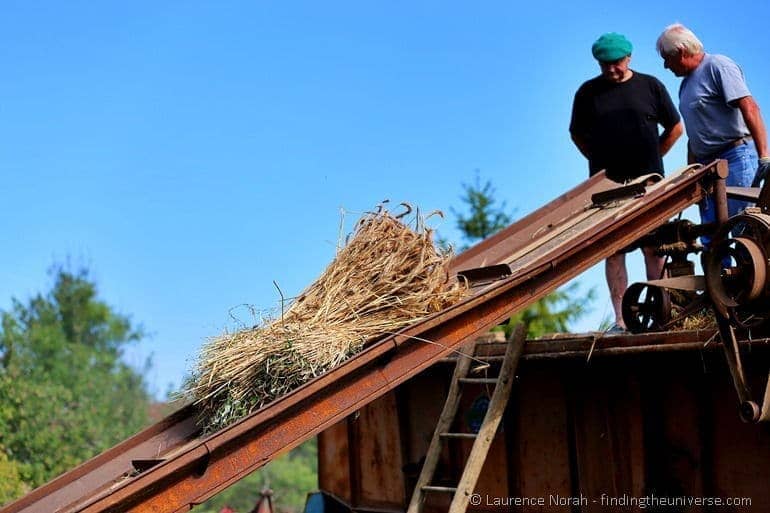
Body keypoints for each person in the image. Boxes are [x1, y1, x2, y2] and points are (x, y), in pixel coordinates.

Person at [570, 32, 683, 333]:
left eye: (616, 63)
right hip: (607, 187)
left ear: (628, 58)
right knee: (614, 249)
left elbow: (675, 127)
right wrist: (598, 166)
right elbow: (577, 134)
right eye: (604, 64)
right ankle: (621, 320)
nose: (610, 69)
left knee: (654, 247)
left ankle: (661, 314)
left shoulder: (650, 86)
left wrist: (655, 155)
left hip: (648, 182)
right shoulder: (588, 93)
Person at [656, 23, 770, 230]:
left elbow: (750, 107)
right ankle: (719, 263)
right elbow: (695, 133)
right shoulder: (685, 85)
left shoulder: (718, 66)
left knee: (742, 229)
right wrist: (690, 172)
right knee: (711, 235)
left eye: (667, 58)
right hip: (706, 167)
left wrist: (764, 156)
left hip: (735, 158)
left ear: (681, 52)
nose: (666, 65)